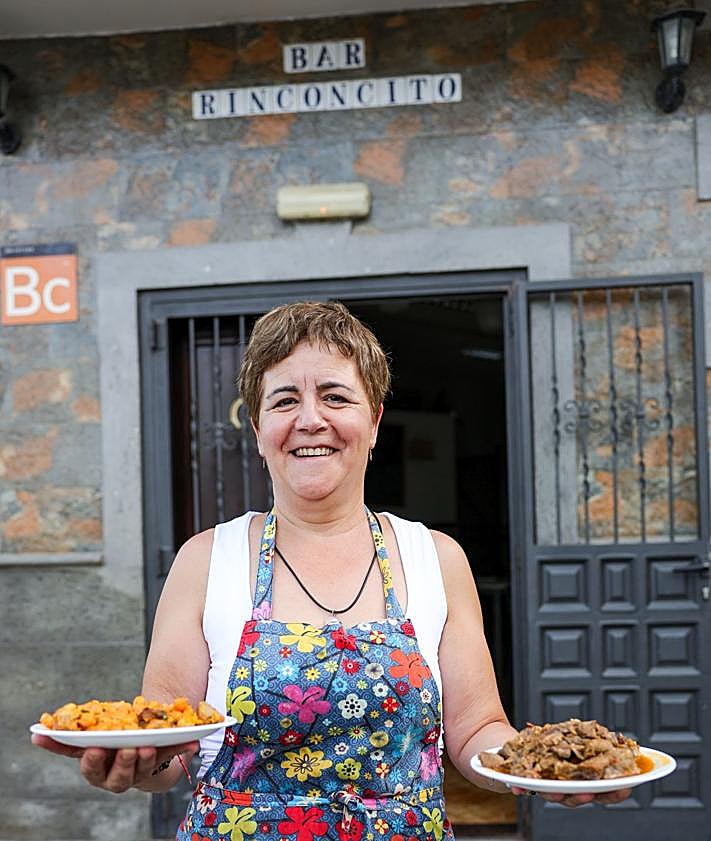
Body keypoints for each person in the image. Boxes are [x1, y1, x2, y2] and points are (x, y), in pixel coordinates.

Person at [33, 300, 630, 837]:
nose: (310, 419)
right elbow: (171, 744)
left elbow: (477, 733)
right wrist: (135, 766)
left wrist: (544, 767)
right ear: (260, 428)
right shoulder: (206, 559)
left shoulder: (434, 558)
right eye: (284, 399)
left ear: (373, 423)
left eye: (335, 397)